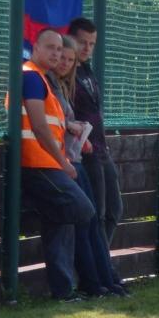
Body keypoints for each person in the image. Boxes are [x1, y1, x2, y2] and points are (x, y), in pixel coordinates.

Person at [20, 29, 96, 301]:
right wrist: (63, 162)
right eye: (50, 47)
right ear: (35, 48)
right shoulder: (30, 76)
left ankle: (63, 291)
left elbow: (53, 125)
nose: (56, 53)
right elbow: (40, 127)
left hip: (47, 163)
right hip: (38, 164)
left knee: (61, 222)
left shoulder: (42, 79)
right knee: (82, 209)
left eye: (59, 49)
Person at [50, 36, 129, 298]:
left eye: (69, 60)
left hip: (76, 158)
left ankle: (105, 279)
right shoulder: (47, 83)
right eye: (61, 56)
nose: (64, 62)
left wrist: (78, 132)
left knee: (97, 219)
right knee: (87, 219)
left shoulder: (68, 84)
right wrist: (71, 128)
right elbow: (47, 124)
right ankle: (94, 282)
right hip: (63, 163)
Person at [68, 16, 124, 247]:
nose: (87, 48)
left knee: (114, 210)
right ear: (71, 39)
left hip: (101, 149)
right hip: (84, 151)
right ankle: (96, 265)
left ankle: (102, 260)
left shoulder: (87, 70)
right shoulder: (67, 72)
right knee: (97, 214)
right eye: (82, 42)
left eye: (92, 44)